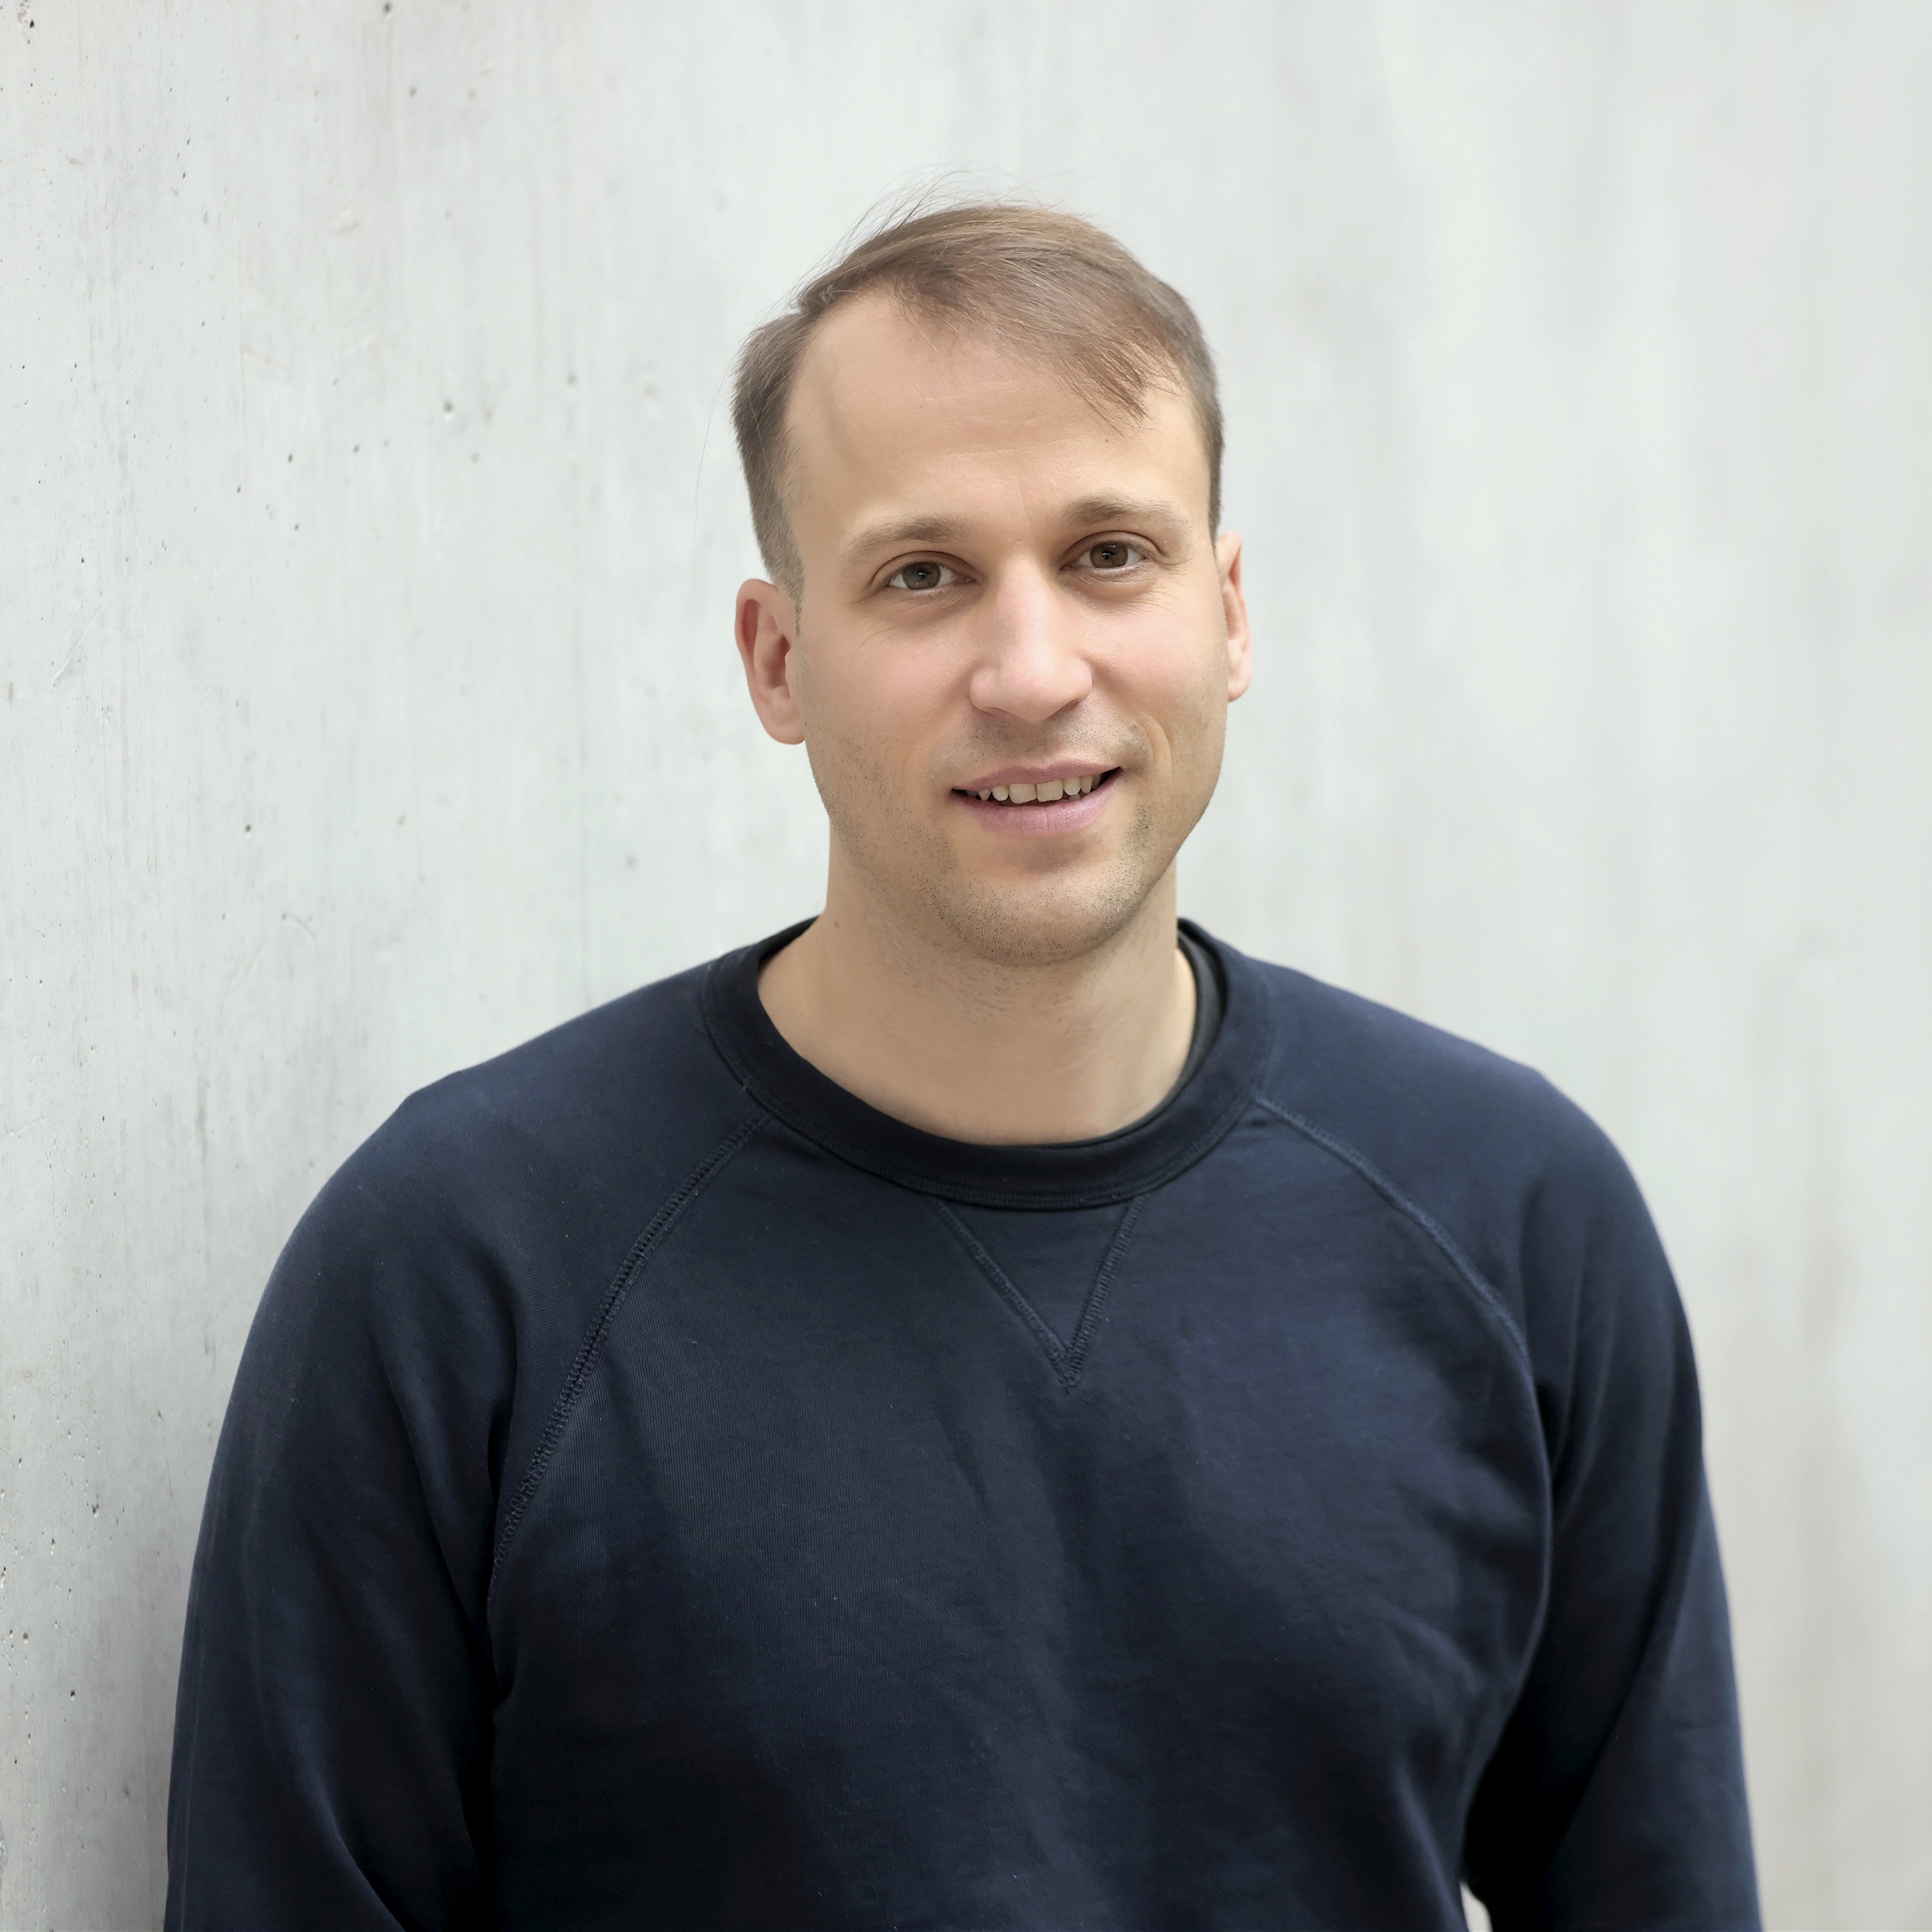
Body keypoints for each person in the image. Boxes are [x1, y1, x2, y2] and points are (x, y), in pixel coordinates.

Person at [166, 203, 1759, 1929]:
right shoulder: (467, 1265)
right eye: (922, 575)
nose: (1031, 671)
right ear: (779, 658)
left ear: (1229, 613)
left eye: (1110, 554)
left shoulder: (1512, 1217)